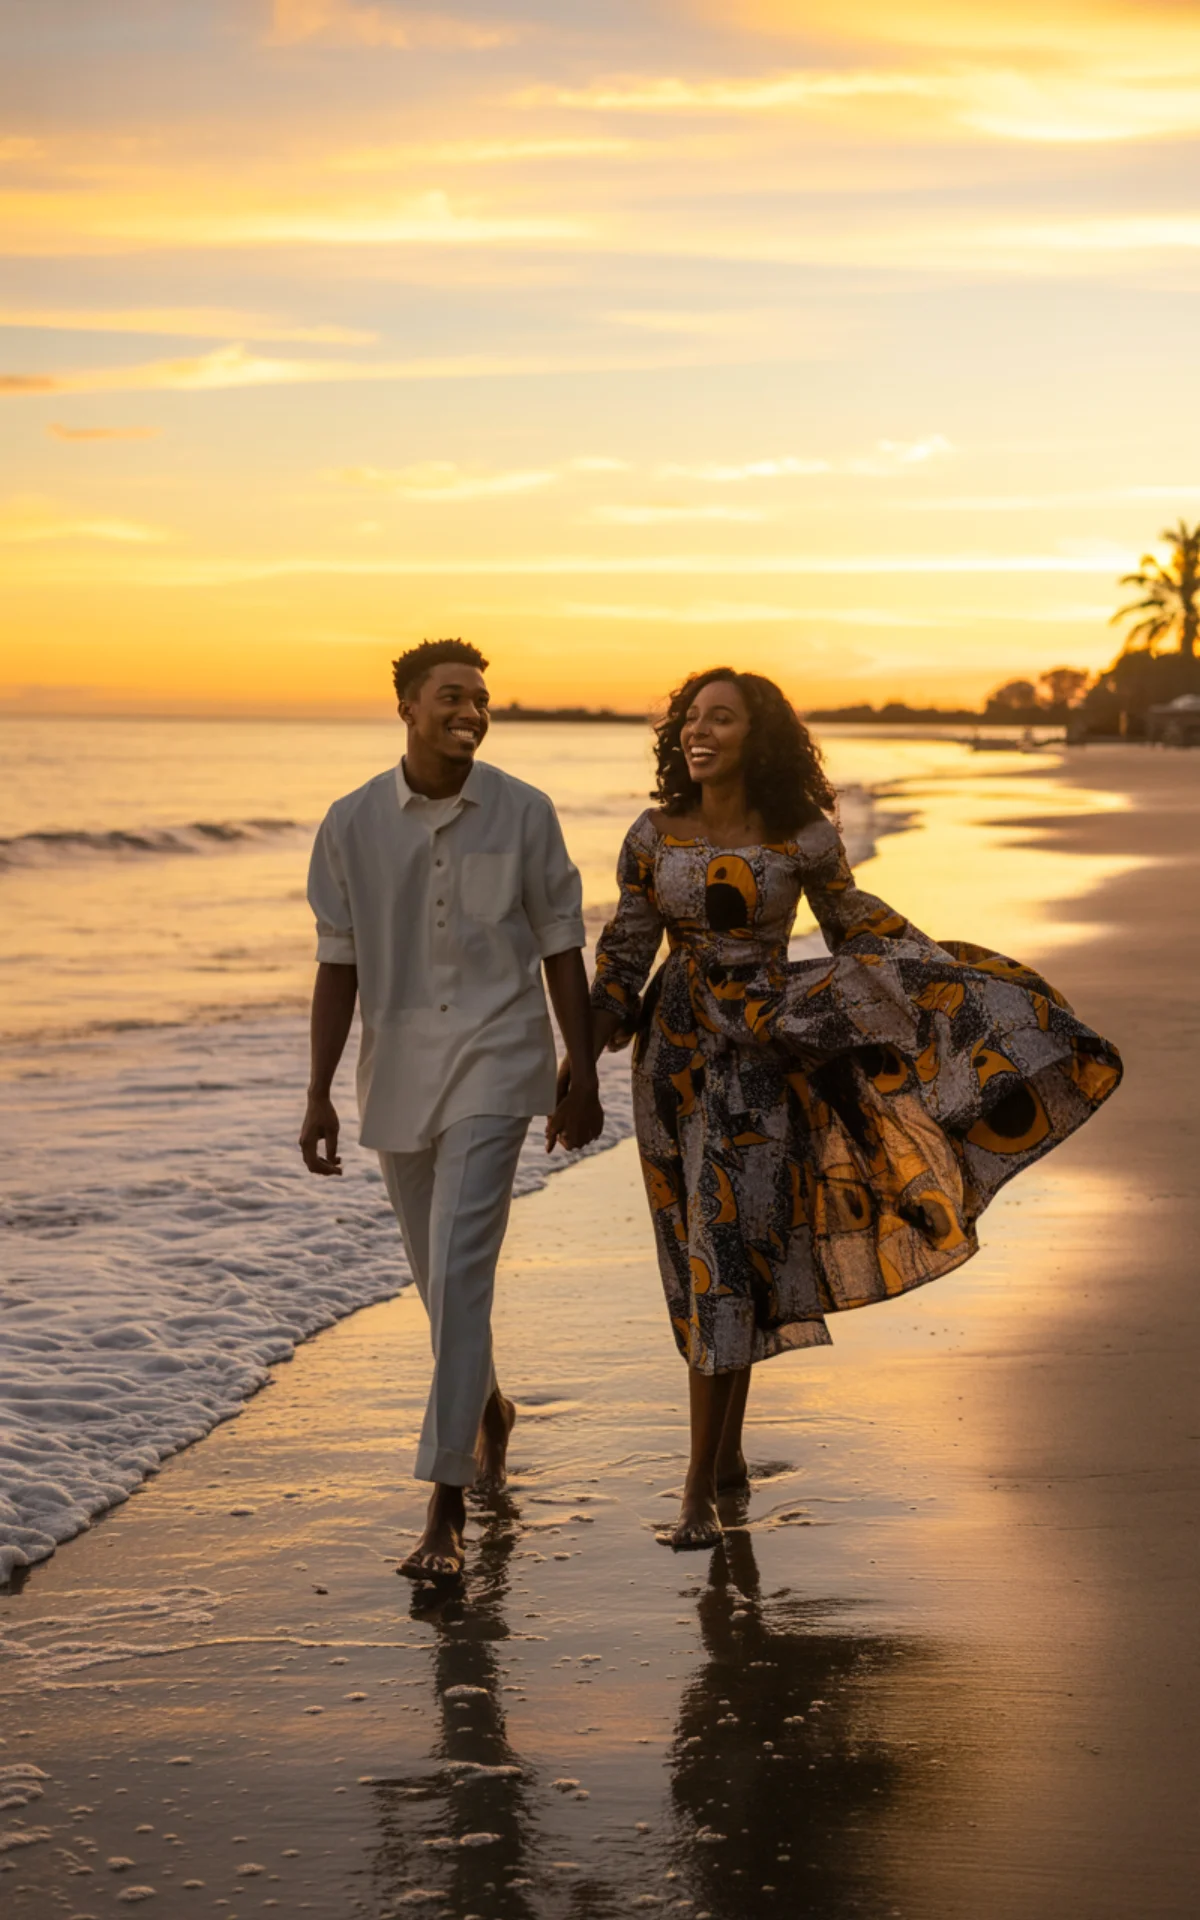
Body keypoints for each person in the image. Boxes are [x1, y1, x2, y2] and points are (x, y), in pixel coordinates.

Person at [571, 667, 1121, 1550]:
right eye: (690, 718)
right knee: (700, 1250)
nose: (698, 731)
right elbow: (625, 954)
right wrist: (574, 1052)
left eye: (721, 718)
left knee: (729, 1244)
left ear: (760, 737)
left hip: (761, 1055)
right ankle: (728, 1456)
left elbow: (856, 927)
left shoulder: (801, 836)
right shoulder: (651, 833)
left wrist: (944, 987)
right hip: (670, 1059)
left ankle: (695, 1491)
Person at [300, 638, 603, 1580]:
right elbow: (337, 966)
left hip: (497, 1060)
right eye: (450, 697)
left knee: (463, 1271)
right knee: (441, 1287)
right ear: (406, 707)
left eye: (481, 697)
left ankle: (444, 1504)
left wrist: (581, 1067)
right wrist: (316, 1092)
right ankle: (490, 1407)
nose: (470, 710)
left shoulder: (524, 812)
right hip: (394, 1074)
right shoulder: (350, 824)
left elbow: (560, 946)